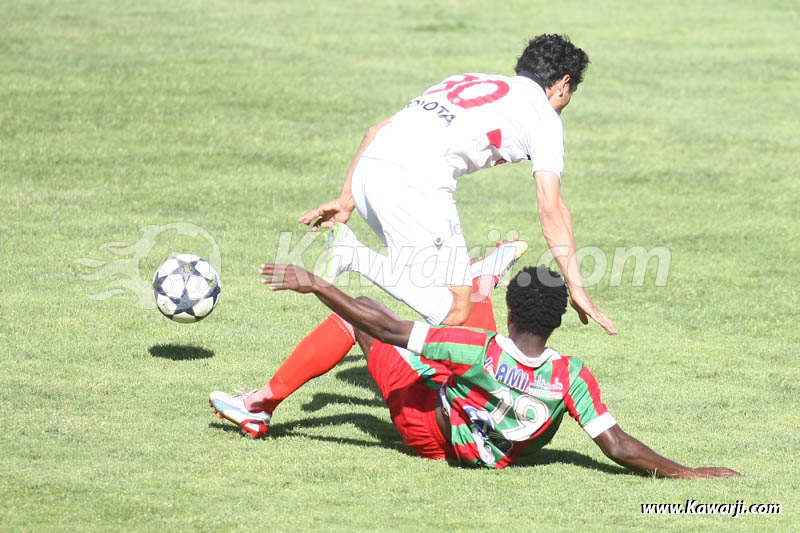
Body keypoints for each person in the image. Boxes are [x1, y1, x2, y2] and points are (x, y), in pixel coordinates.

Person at [209, 264, 739, 478]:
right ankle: (482, 283)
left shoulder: (477, 350)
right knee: (453, 354)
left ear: (513, 313)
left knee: (361, 316)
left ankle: (260, 405)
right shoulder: (571, 375)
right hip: (495, 452)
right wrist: (689, 473)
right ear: (558, 320)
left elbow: (386, 327)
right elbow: (618, 446)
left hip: (429, 431)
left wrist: (319, 285)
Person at [298, 33, 617, 335]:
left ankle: (474, 279)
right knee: (455, 308)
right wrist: (577, 287)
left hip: (368, 172)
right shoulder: (544, 117)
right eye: (571, 91)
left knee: (432, 286)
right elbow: (552, 208)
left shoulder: (468, 80)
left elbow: (375, 131)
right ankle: (354, 255)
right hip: (415, 181)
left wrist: (346, 200)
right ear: (563, 83)